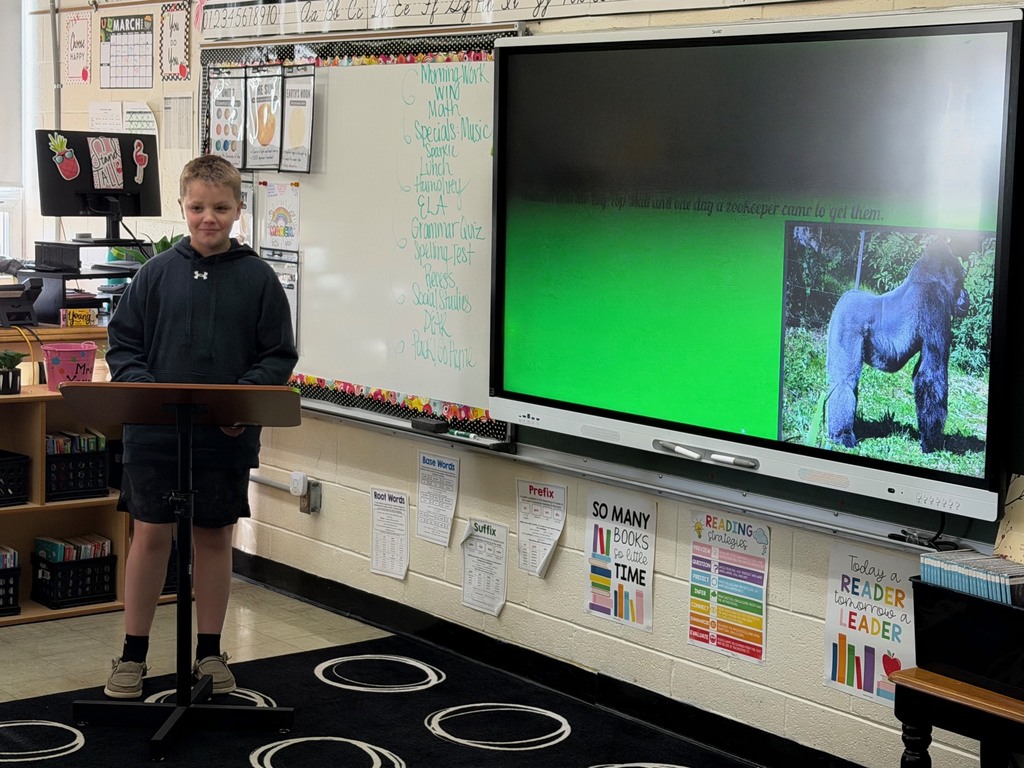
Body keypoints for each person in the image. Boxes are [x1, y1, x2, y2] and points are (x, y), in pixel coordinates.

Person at [102, 154, 298, 699]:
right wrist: (147, 392)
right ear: (183, 208)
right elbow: (125, 346)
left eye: (219, 207)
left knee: (213, 538)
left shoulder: (258, 279)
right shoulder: (154, 274)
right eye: (196, 207)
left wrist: (239, 402)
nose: (207, 217)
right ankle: (132, 656)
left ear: (238, 210)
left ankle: (210, 654)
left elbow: (277, 354)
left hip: (224, 435)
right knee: (151, 537)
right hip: (156, 435)